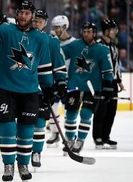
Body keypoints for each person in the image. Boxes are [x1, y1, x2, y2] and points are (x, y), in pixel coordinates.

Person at [0, 1, 54, 181]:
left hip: (29, 91)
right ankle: (8, 164)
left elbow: (43, 66)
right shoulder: (5, 30)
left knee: (27, 130)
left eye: (27, 13)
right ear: (17, 14)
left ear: (32, 16)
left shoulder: (41, 38)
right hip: (5, 89)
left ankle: (23, 164)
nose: (23, 16)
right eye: (21, 12)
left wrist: (48, 87)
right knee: (8, 128)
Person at [61, 22, 114, 154]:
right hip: (74, 86)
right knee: (70, 115)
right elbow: (60, 55)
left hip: (92, 88)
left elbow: (108, 71)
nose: (86, 34)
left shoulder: (102, 50)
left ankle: (80, 140)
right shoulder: (74, 45)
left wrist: (108, 86)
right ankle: (69, 140)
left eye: (89, 32)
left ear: (94, 33)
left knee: (85, 114)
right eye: (84, 31)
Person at [30, 9, 67, 169]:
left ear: (45, 24)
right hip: (22, 87)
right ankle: (23, 151)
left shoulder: (51, 41)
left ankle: (36, 152)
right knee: (23, 123)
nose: (36, 23)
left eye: (40, 21)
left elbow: (59, 64)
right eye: (34, 20)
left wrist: (60, 83)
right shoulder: (22, 37)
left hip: (42, 89)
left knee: (39, 123)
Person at [93, 19, 125, 149]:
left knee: (111, 111)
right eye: (112, 29)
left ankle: (106, 137)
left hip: (112, 84)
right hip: (101, 83)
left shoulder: (113, 46)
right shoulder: (98, 46)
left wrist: (119, 81)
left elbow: (116, 66)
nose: (115, 32)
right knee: (101, 110)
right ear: (106, 31)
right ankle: (98, 137)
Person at [46, 15, 76, 149]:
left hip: (70, 81)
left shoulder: (74, 43)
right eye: (54, 27)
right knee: (52, 107)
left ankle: (70, 136)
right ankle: (55, 133)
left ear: (65, 27)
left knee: (69, 110)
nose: (55, 30)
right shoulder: (52, 41)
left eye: (58, 27)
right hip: (55, 80)